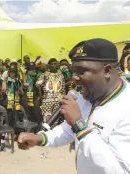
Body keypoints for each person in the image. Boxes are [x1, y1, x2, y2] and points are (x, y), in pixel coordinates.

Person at [18, 38, 130, 174]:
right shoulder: (87, 97)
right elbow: (68, 130)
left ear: (107, 70)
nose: (75, 78)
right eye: (73, 71)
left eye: (81, 71)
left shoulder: (126, 106)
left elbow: (120, 170)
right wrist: (40, 138)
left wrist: (79, 125)